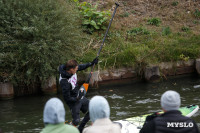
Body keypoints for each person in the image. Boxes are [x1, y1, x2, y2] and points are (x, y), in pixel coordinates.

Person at [59, 58, 98, 133]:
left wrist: (91, 63)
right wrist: (77, 98)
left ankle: (80, 129)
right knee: (76, 121)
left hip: (78, 95)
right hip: (72, 100)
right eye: (76, 69)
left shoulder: (71, 69)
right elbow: (67, 98)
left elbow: (80, 67)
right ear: (71, 69)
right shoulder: (64, 82)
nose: (77, 70)